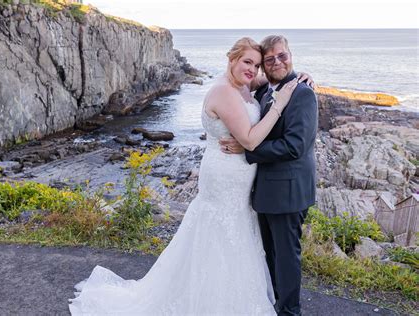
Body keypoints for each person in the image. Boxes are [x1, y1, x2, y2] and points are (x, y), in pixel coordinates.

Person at [69, 37, 309, 315]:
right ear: (231, 59)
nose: (252, 69)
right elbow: (251, 140)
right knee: (219, 235)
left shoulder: (245, 84)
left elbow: (272, 82)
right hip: (225, 175)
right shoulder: (224, 92)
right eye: (247, 62)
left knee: (238, 237)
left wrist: (300, 77)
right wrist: (280, 105)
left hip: (240, 177)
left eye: (256, 65)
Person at [220, 35, 318, 316]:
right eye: (270, 59)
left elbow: (295, 145)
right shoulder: (264, 90)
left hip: (288, 190)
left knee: (286, 257)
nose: (277, 62)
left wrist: (248, 148)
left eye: (282, 56)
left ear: (291, 54)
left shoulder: (302, 93)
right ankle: (273, 305)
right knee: (270, 254)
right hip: (265, 190)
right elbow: (238, 79)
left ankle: (289, 311)